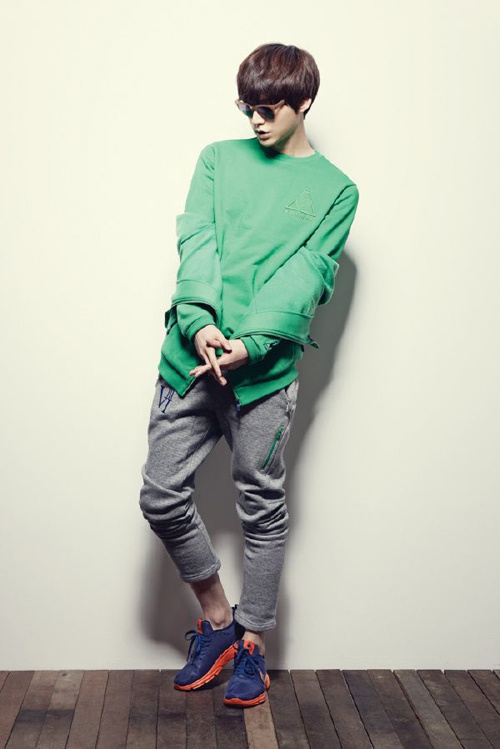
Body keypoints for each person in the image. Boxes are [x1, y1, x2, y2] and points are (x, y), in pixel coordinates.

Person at [139, 42, 360, 708]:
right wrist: (199, 321)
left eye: (269, 110)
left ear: (304, 103)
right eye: (248, 109)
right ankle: (218, 623)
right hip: (190, 361)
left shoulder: (337, 190)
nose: (256, 122)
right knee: (160, 495)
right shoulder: (217, 159)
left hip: (264, 377)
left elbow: (308, 274)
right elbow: (198, 240)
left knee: (261, 507)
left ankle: (253, 645)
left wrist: (255, 343)